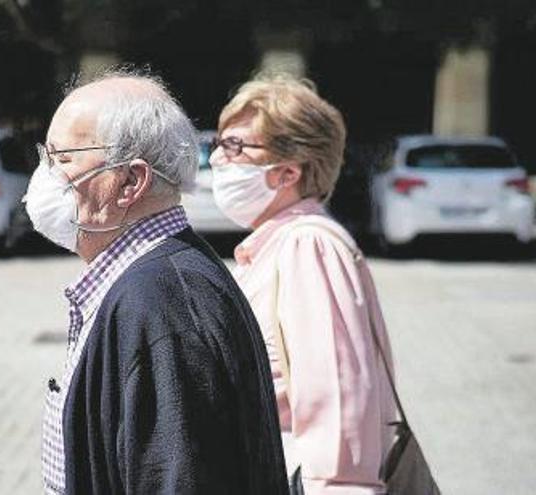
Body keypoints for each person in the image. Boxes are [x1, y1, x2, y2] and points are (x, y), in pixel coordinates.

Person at [25, 69, 289, 494]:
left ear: (130, 181)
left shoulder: (160, 303)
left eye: (63, 158)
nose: (46, 175)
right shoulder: (151, 280)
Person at [209, 72, 398, 494]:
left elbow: (337, 397)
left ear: (286, 172)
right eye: (220, 143)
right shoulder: (274, 245)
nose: (219, 158)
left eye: (236, 146)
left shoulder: (307, 245)